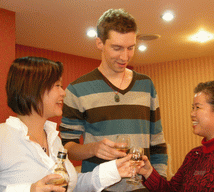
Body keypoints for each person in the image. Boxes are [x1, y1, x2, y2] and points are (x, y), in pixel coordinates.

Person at [59, 8, 168, 191]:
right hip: (99, 187)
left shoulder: (146, 84)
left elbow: (157, 142)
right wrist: (93, 148)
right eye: (117, 48)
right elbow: (65, 147)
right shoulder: (77, 89)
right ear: (99, 43)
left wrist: (159, 183)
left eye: (130, 48)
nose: (125, 57)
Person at [0, 56, 133, 192]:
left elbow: (71, 185)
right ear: (32, 88)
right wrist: (29, 190)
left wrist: (114, 170)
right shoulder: (3, 138)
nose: (63, 93)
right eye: (57, 86)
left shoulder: (53, 139)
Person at [138, 80, 214, 191]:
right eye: (192, 108)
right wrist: (148, 172)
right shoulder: (194, 156)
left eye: (197, 108)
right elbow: (172, 190)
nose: (192, 114)